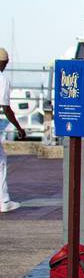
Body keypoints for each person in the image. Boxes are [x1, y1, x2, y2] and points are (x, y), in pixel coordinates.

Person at [0, 47, 27, 213]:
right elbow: (6, 108)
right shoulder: (2, 80)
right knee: (1, 162)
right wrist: (19, 127)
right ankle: (3, 201)